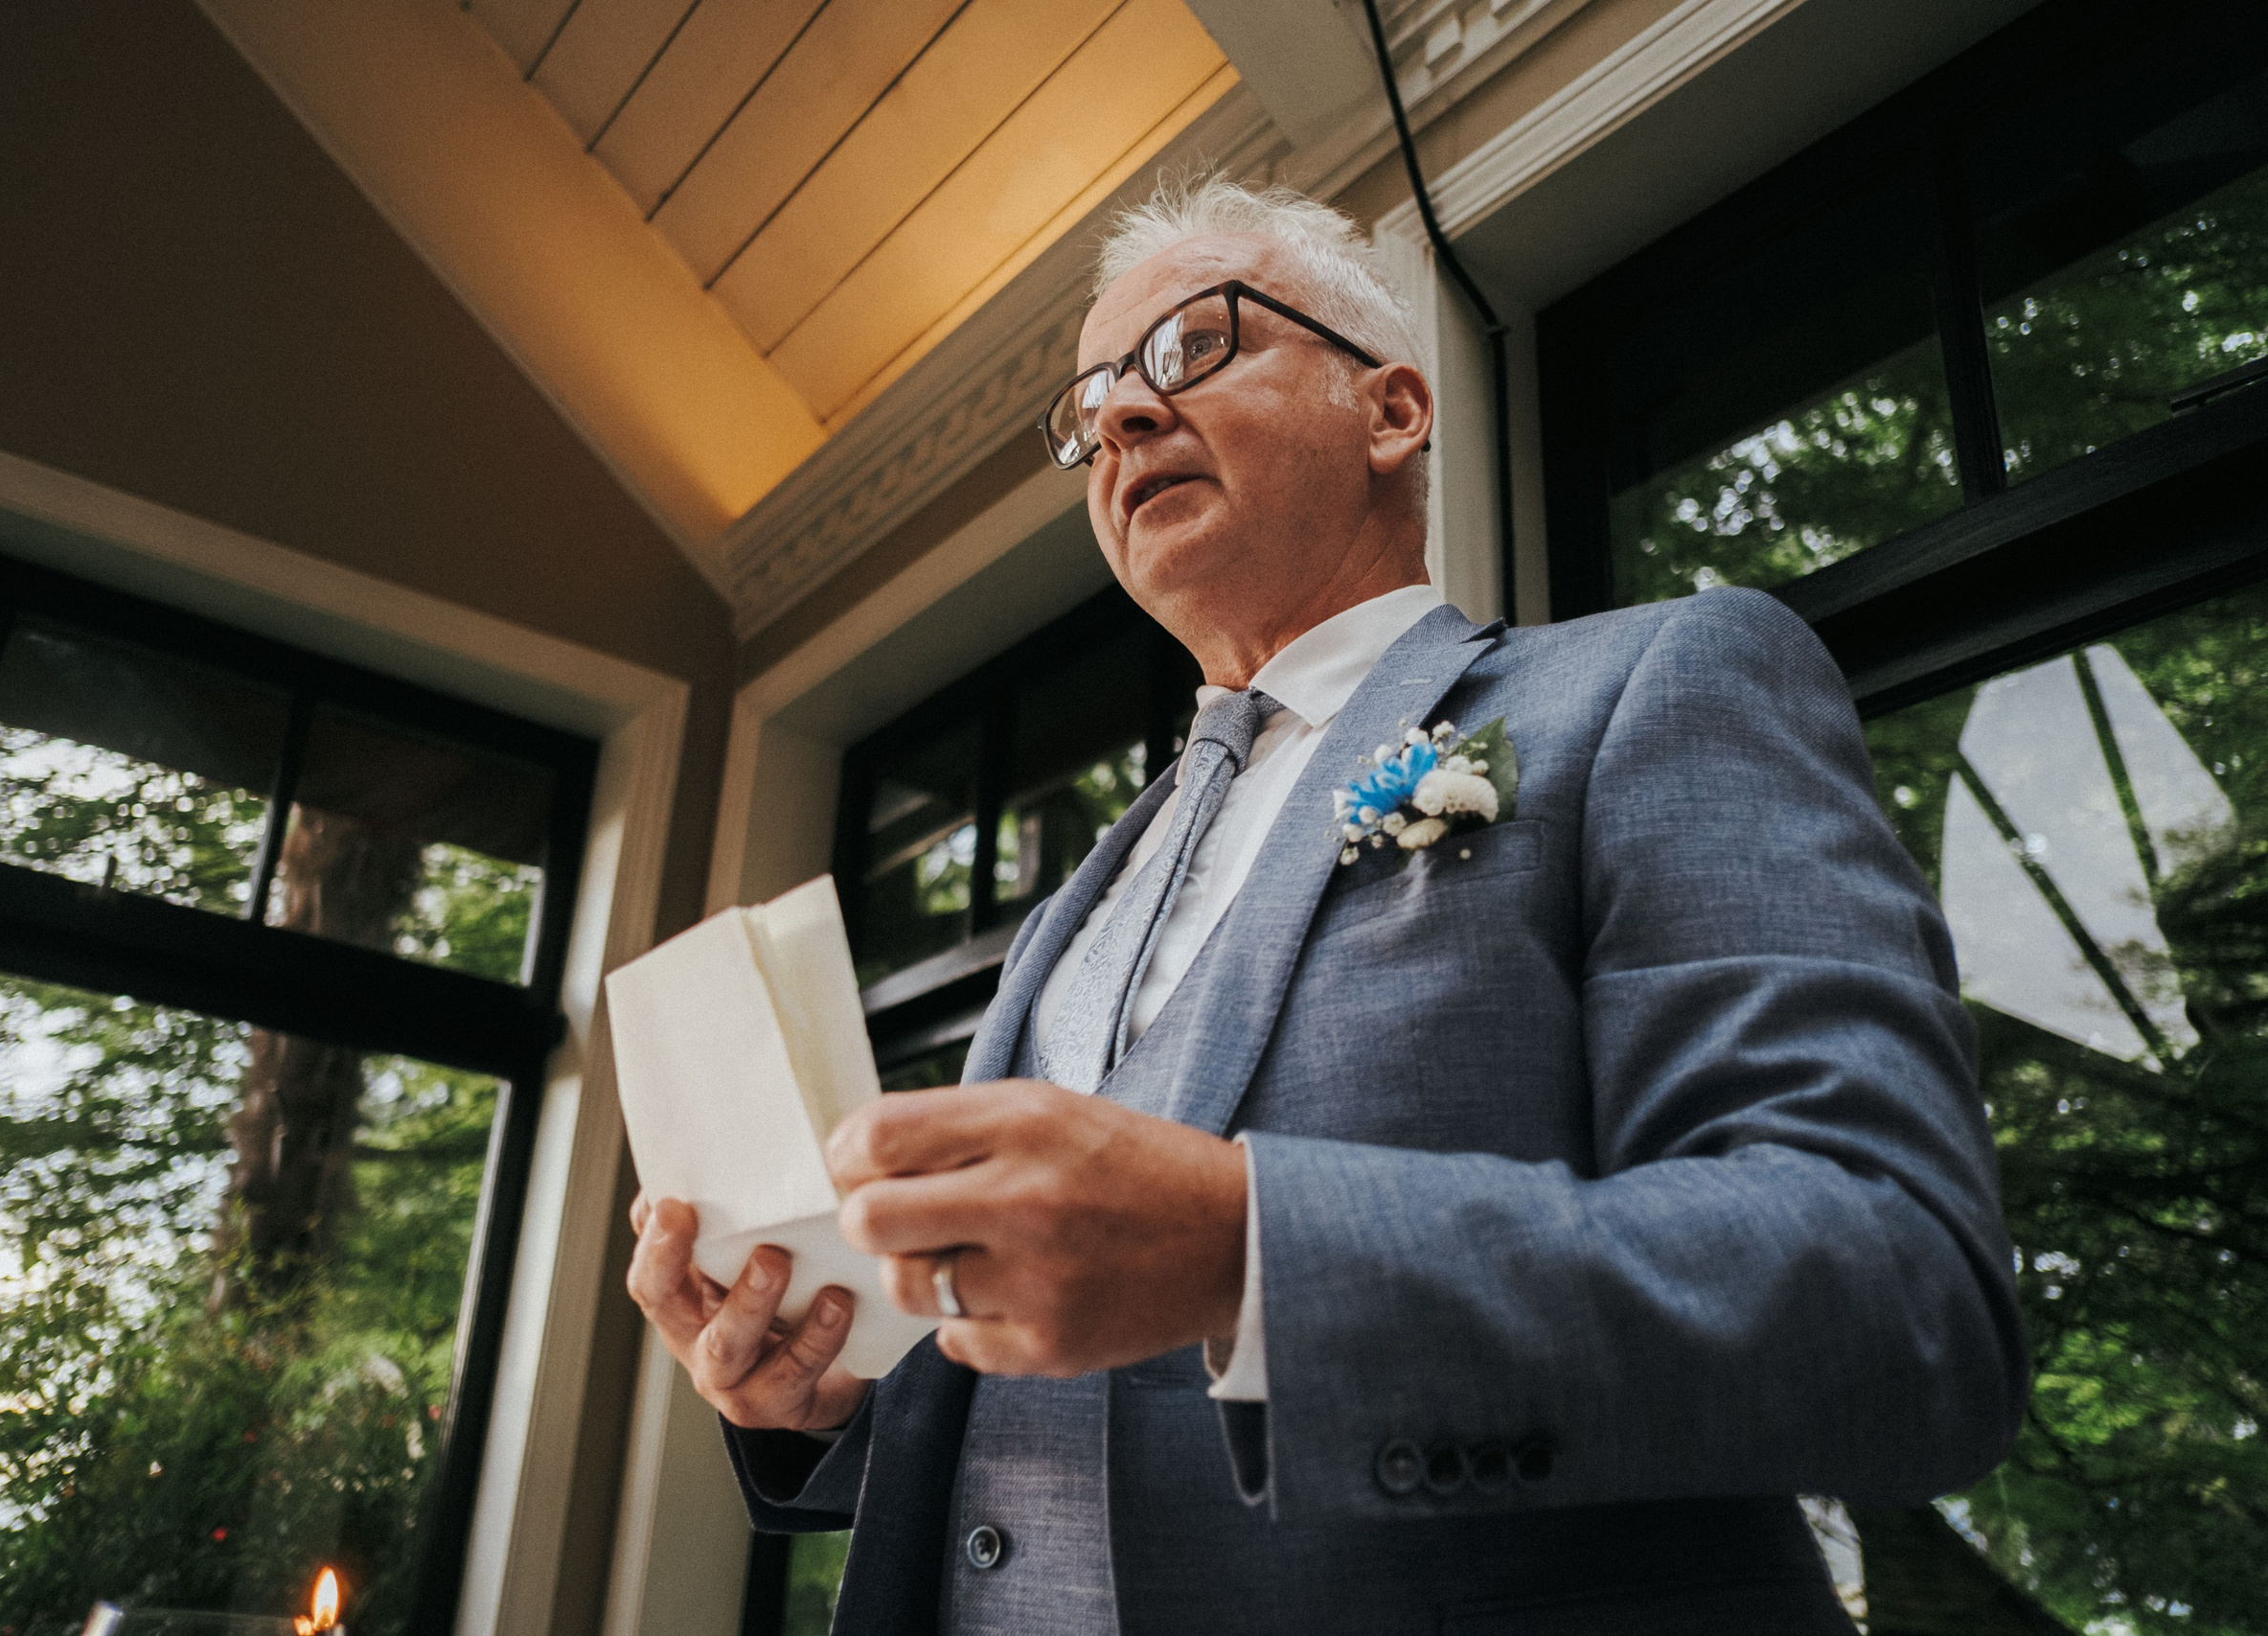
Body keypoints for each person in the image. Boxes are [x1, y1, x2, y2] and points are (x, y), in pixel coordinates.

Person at [627, 174, 2025, 1634]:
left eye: (1194, 348)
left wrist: (1252, 1256)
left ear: (1394, 413)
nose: (1118, 418)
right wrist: (842, 1396)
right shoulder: (1076, 906)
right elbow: (1075, 1405)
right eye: (1093, 401)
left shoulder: (1654, 688)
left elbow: (1901, 1301)